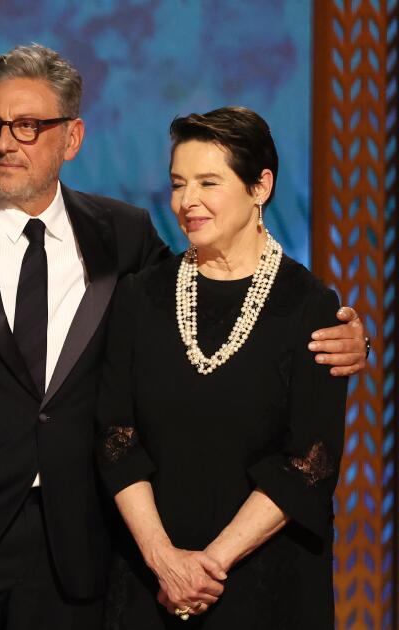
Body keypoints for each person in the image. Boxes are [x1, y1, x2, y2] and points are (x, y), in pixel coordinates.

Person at [0, 45, 367, 630]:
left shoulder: (121, 235)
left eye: (27, 126)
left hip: (79, 546)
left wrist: (356, 338)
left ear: (72, 138)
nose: (4, 142)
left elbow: (232, 312)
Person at [96, 106, 347, 628]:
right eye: (178, 183)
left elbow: (309, 462)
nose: (187, 201)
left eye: (209, 182)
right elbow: (116, 437)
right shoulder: (139, 297)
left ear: (260, 187)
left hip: (264, 582)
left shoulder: (311, 307)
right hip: (151, 579)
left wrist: (207, 568)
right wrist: (165, 561)